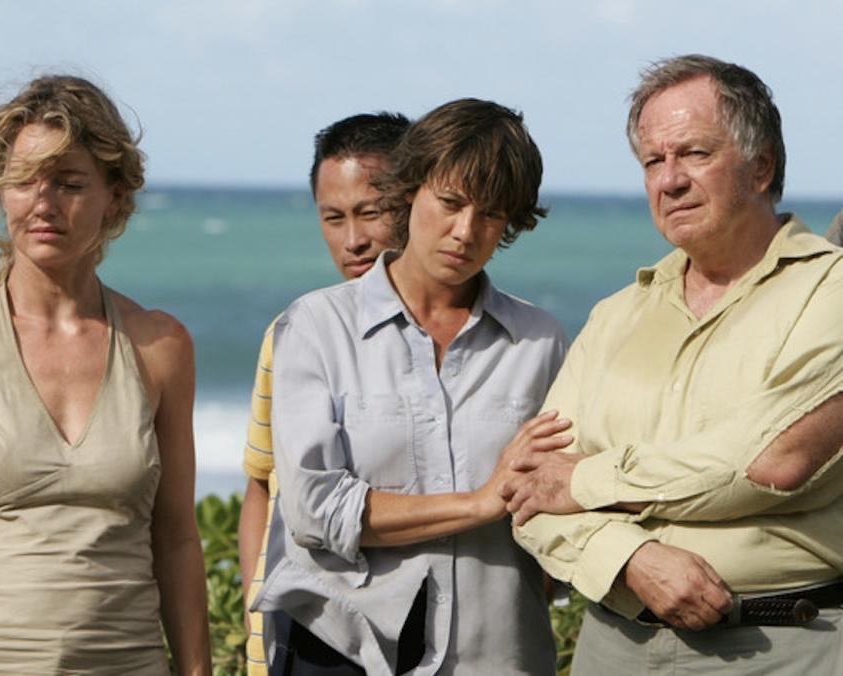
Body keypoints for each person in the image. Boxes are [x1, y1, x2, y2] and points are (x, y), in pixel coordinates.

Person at [501, 55, 843, 675]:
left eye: (694, 154)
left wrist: (584, 483)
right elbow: (531, 492)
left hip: (784, 648)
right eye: (653, 162)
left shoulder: (831, 292)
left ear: (761, 166)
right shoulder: (615, 315)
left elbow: (772, 462)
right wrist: (631, 560)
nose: (670, 180)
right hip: (616, 646)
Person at [0, 76, 211, 675]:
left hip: (126, 662)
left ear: (115, 198)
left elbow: (177, 539)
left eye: (69, 183)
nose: (43, 203)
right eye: (24, 181)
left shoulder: (161, 346)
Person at [254, 98, 568, 675]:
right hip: (344, 654)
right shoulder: (315, 327)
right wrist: (480, 502)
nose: (466, 231)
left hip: (498, 657)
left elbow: (559, 506)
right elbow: (313, 510)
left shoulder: (540, 342)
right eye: (449, 203)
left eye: (492, 214)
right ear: (409, 193)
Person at [238, 111, 410, 676]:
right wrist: (256, 626)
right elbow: (263, 490)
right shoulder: (294, 331)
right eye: (333, 218)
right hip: (307, 641)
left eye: (371, 213)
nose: (353, 240)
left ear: (413, 201)